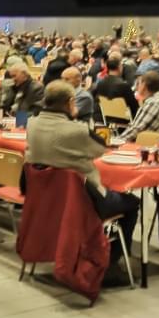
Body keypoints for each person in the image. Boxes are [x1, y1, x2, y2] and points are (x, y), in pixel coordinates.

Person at [26, 81, 139, 279]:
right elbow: (100, 149)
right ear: (70, 102)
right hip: (79, 199)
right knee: (131, 202)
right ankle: (111, 263)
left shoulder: (32, 123)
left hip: (45, 198)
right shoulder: (76, 130)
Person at [120, 71, 159, 140]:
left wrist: (115, 141)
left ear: (144, 85)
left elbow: (135, 131)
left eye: (138, 83)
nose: (136, 87)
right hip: (156, 146)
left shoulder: (154, 104)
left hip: (156, 147)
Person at [92, 55, 138, 120]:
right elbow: (134, 106)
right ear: (119, 67)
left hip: (104, 116)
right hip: (121, 118)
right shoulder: (123, 85)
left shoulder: (100, 83)